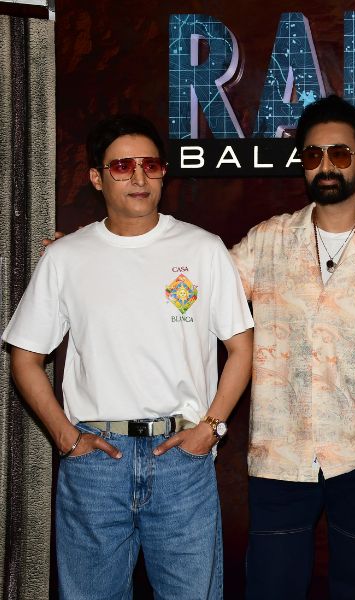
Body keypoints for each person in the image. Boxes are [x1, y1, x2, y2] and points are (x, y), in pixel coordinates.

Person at [2, 114, 254, 598]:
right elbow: (24, 358)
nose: (139, 177)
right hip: (95, 462)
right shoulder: (66, 257)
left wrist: (210, 428)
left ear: (163, 173)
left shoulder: (203, 249)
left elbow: (241, 348)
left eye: (150, 165)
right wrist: (67, 438)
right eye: (122, 166)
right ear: (97, 178)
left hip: (181, 459)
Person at [230, 95, 355, 599]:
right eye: (313, 154)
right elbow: (191, 290)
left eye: (340, 154)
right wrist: (100, 256)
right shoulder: (267, 241)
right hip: (280, 455)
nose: (326, 166)